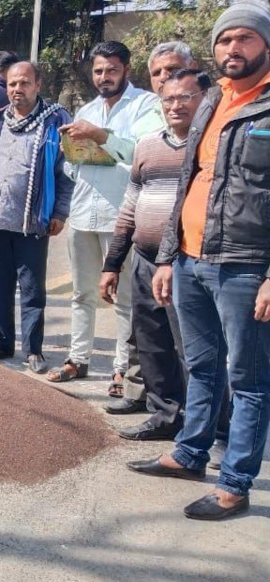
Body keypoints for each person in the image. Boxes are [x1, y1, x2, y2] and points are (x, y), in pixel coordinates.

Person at [128, 1, 270, 521]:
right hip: (190, 259)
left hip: (246, 265)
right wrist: (168, 257)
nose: (234, 48)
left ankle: (235, 483)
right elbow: (190, 179)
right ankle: (190, 454)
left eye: (246, 39)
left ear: (266, 46)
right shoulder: (212, 102)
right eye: (226, 39)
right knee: (202, 367)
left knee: (249, 379)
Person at [100, 69, 209, 442]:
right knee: (151, 343)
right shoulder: (148, 145)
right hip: (145, 259)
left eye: (186, 97)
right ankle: (165, 416)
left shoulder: (210, 146)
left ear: (204, 99)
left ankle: (205, 428)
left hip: (188, 261)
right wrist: (113, 261)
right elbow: (131, 205)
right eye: (168, 99)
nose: (175, 105)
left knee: (192, 349)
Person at [49, 41, 162, 395]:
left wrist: (98, 137)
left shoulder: (146, 105)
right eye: (98, 71)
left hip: (121, 215)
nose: (104, 77)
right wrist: (75, 152)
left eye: (111, 70)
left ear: (126, 70)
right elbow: (70, 166)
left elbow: (140, 150)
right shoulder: (88, 108)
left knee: (125, 297)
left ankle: (120, 369)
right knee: (82, 294)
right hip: (84, 211)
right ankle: (77, 358)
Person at [0, 61, 74, 373]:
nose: (17, 89)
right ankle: (2, 342)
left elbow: (65, 172)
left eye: (24, 83)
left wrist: (59, 212)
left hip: (32, 220)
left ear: (37, 85)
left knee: (32, 289)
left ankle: (33, 350)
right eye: (12, 84)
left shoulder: (55, 120)